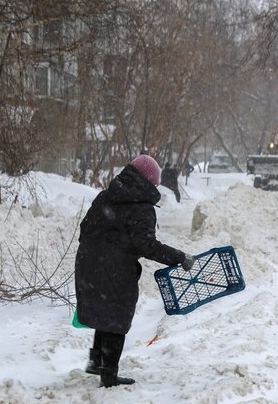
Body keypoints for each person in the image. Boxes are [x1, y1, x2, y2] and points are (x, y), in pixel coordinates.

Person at [74, 154, 194, 388]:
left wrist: (103, 249)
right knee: (116, 317)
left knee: (104, 310)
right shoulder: (141, 208)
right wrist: (179, 257)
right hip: (114, 267)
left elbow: (85, 228)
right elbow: (147, 245)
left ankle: (97, 361)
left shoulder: (106, 196)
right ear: (148, 182)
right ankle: (108, 376)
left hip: (88, 261)